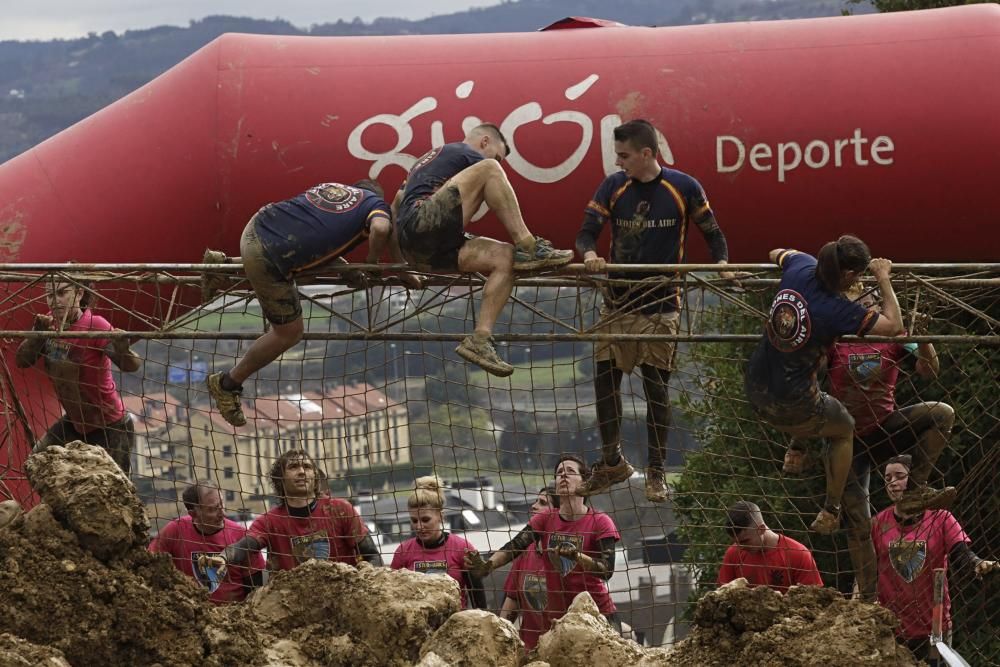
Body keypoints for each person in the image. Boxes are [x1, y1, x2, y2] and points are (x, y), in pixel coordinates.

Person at [574, 119, 735, 503]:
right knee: (604, 380)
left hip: (661, 305)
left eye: (625, 155)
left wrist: (723, 264)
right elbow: (586, 232)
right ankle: (612, 459)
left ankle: (657, 470)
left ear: (647, 153)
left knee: (655, 387)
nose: (620, 162)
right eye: (618, 155)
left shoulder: (683, 186)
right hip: (617, 303)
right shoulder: (614, 185)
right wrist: (592, 254)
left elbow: (713, 233)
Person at [205, 179, 411, 427]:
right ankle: (228, 384)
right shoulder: (376, 205)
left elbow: (314, 239)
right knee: (289, 333)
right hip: (269, 255)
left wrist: (348, 271)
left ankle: (224, 267)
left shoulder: (331, 189)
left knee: (302, 268)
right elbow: (380, 228)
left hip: (258, 226)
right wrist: (372, 261)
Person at [744, 236, 906, 534]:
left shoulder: (799, 265)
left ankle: (797, 447)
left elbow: (776, 250)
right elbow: (894, 327)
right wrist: (883, 278)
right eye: (858, 275)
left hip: (755, 388)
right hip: (791, 405)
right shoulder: (836, 309)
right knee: (844, 427)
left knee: (817, 360)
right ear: (847, 275)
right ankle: (831, 509)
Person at [390, 124, 574, 378]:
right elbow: (490, 170)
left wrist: (401, 261)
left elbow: (396, 203)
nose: (499, 162)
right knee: (490, 170)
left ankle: (480, 338)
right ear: (485, 142)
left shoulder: (427, 164)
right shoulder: (463, 151)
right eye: (498, 154)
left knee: (505, 257)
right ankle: (529, 246)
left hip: (424, 248)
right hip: (424, 223)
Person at [828, 284, 956, 601]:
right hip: (846, 443)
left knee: (941, 414)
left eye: (871, 301)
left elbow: (931, 370)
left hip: (884, 428)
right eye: (855, 303)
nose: (865, 308)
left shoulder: (896, 337)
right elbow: (808, 387)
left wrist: (925, 340)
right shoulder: (833, 340)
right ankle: (868, 598)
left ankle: (915, 493)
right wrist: (799, 444)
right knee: (857, 522)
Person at [465, 455, 621, 635]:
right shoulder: (546, 519)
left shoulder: (600, 522)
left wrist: (576, 556)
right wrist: (488, 565)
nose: (563, 475)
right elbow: (514, 546)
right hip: (558, 620)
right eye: (559, 472)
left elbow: (606, 570)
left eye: (570, 471)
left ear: (585, 482)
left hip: (599, 615)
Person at [873, 455, 997, 665]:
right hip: (890, 626)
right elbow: (868, 568)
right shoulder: (878, 523)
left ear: (916, 480)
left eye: (900, 476)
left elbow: (961, 552)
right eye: (887, 478)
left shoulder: (940, 518)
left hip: (933, 626)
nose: (892, 483)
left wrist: (978, 563)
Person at [16, 277, 141, 473]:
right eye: (49, 295)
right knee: (36, 463)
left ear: (79, 293)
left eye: (61, 293)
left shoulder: (95, 325)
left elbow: (130, 365)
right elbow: (22, 361)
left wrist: (123, 349)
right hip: (75, 423)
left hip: (110, 426)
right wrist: (36, 336)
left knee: (115, 490)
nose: (54, 300)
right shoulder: (48, 325)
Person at [211, 449, 381, 574]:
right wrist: (224, 557)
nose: (301, 472)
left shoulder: (341, 509)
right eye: (293, 467)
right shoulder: (270, 521)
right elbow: (245, 545)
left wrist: (365, 579)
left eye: (307, 467)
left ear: (314, 476)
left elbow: (373, 556)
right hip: (295, 606)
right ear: (280, 479)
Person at [149, 483, 264, 603]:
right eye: (213, 509)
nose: (223, 513)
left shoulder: (241, 536)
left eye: (221, 504)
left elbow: (255, 589)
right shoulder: (175, 531)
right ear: (193, 514)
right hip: (190, 613)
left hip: (232, 615)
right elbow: (149, 563)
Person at [390, 476, 486, 609]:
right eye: (414, 521)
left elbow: (479, 600)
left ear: (441, 516)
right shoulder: (403, 552)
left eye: (425, 520)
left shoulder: (463, 548)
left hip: (455, 624)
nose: (419, 526)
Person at [499, 486, 560, 649]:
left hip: (560, 647)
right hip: (529, 648)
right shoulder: (525, 552)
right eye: (535, 501)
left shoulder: (567, 556)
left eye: (542, 503)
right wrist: (499, 637)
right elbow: (512, 599)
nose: (533, 506)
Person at [717, 500, 823, 594]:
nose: (740, 547)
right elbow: (722, 596)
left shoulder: (798, 553)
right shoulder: (733, 552)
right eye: (737, 542)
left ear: (761, 529)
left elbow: (812, 600)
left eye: (745, 541)